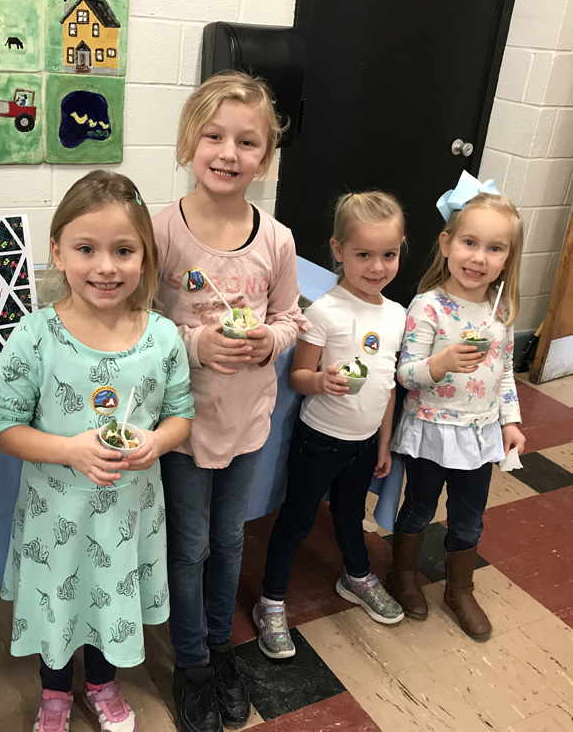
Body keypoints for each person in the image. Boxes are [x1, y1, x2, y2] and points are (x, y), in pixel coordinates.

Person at [0, 170, 195, 732]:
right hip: (57, 514)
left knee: (110, 601)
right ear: (57, 251)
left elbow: (182, 416)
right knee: (58, 600)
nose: (106, 266)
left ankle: (103, 685)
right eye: (86, 249)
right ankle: (54, 694)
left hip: (129, 512)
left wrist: (158, 440)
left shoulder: (164, 336)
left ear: (146, 258)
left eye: (124, 250)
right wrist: (68, 449)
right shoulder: (34, 336)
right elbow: (2, 427)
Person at [153, 71, 308, 732]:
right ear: (190, 141)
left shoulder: (275, 239)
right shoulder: (160, 230)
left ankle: (221, 647)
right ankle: (190, 661)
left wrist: (269, 339)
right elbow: (136, 324)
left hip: (247, 421)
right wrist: (195, 344)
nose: (228, 152)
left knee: (228, 541)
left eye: (247, 142)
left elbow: (292, 317)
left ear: (265, 158)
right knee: (187, 547)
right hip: (184, 425)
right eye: (214, 135)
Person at [253, 191, 408, 659]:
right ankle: (271, 602)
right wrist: (321, 381)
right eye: (363, 254)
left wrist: (383, 445)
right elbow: (298, 376)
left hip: (364, 446)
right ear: (338, 251)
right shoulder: (324, 311)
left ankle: (356, 576)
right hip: (319, 441)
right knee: (297, 520)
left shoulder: (398, 315)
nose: (377, 267)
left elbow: (386, 388)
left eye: (389, 254)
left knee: (349, 514)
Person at [386, 172, 526, 641]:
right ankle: (402, 575)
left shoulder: (500, 314)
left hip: (480, 434)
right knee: (419, 507)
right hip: (431, 426)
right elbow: (405, 375)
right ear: (446, 243)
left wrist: (511, 422)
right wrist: (441, 364)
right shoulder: (428, 306)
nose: (479, 257)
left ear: (508, 260)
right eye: (469, 242)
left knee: (470, 516)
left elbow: (504, 373)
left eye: (494, 248)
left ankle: (459, 588)